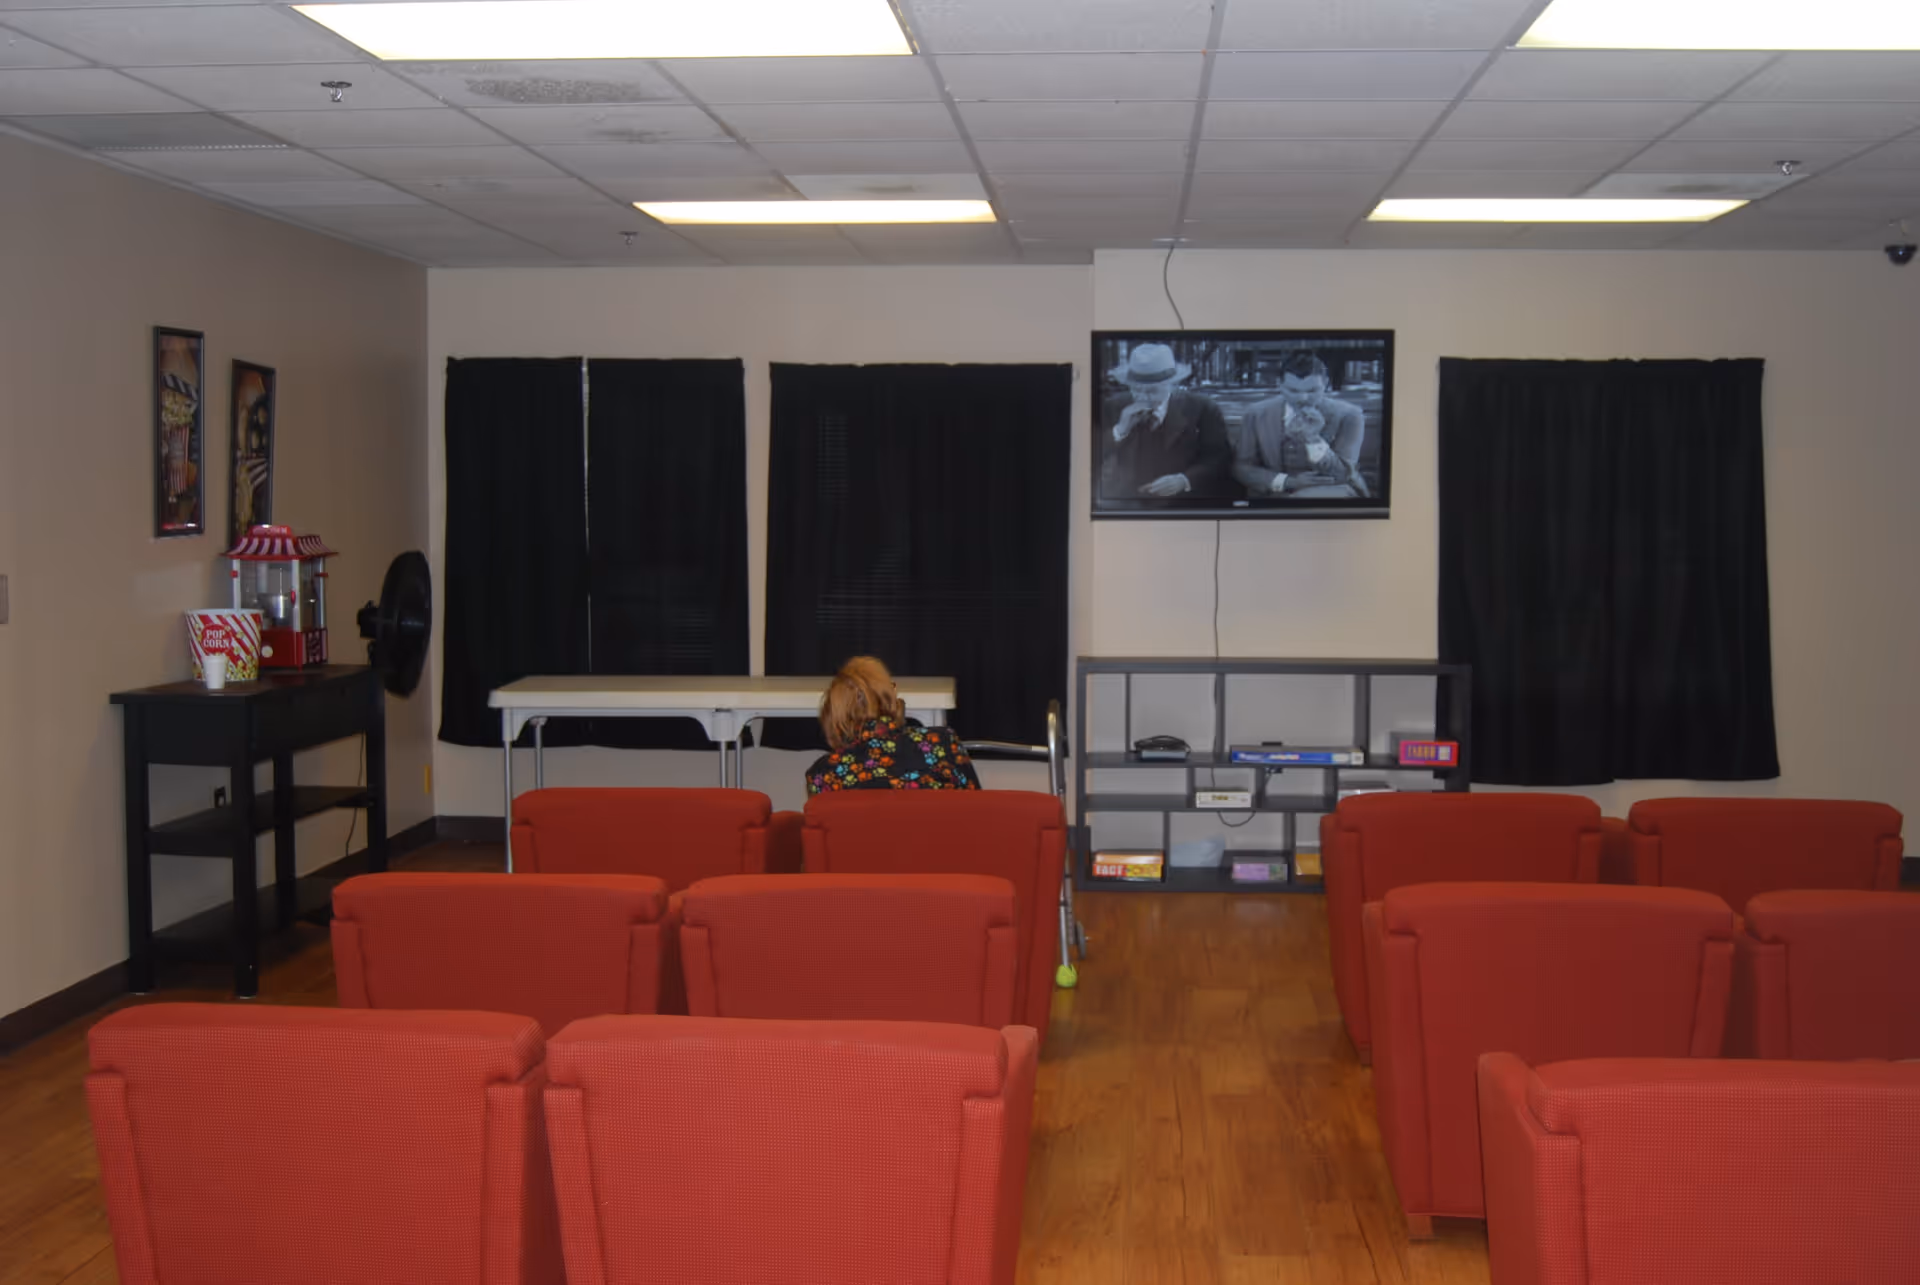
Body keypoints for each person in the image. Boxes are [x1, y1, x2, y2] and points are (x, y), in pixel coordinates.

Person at [805, 655, 981, 795]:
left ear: (833, 716)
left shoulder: (823, 773)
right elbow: (977, 811)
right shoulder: (942, 742)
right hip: (936, 840)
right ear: (888, 699)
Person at [1098, 343, 1231, 502]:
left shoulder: (1202, 408)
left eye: (1152, 390)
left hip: (1181, 502)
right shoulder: (1114, 406)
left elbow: (1219, 457)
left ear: (1172, 384)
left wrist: (1184, 480)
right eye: (1136, 389)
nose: (1143, 397)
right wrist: (1120, 430)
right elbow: (1093, 454)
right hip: (1127, 501)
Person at [1231, 351, 1370, 499]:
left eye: (1312, 390)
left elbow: (1343, 474)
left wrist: (1313, 439)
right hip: (1276, 491)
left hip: (1334, 490)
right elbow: (1242, 467)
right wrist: (1289, 482)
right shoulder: (1256, 413)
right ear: (1280, 385)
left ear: (1326, 384)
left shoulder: (1349, 415)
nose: (1302, 398)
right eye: (1293, 390)